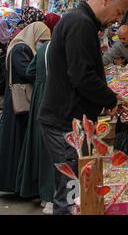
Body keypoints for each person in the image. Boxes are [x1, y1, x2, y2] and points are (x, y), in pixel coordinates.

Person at [38, 0, 128, 215]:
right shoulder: (80, 23)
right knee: (71, 192)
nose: (117, 20)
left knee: (75, 187)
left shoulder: (81, 21)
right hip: (65, 123)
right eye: (119, 12)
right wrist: (111, 101)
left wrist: (107, 99)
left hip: (70, 121)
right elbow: (82, 76)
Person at [15, 14, 61, 215]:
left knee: (41, 148)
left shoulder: (42, 50)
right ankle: (52, 197)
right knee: (54, 150)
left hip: (39, 101)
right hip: (55, 102)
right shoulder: (62, 50)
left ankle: (44, 197)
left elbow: (31, 71)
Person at [0, 22, 51, 194]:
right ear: (34, 36)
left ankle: (19, 185)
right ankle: (17, 184)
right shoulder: (21, 48)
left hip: (17, 101)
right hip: (19, 102)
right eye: (42, 40)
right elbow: (27, 72)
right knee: (17, 143)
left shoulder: (19, 46)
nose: (43, 44)